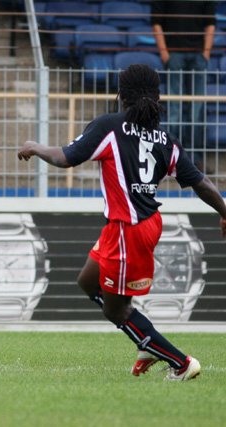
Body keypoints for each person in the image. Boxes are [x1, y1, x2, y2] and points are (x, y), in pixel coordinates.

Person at [18, 64, 226, 381]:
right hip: (140, 225)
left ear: (121, 96)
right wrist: (225, 212)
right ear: (156, 98)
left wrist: (35, 147)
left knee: (115, 310)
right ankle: (143, 339)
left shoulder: (109, 127)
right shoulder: (165, 139)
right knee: (88, 281)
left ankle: (180, 363)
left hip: (129, 228)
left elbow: (65, 158)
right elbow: (200, 183)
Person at [151, 1, 216, 170]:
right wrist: (164, 52)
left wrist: (206, 53)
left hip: (197, 56)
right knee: (174, 109)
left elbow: (210, 24)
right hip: (175, 54)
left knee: (197, 110)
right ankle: (171, 159)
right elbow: (156, 23)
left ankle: (194, 160)